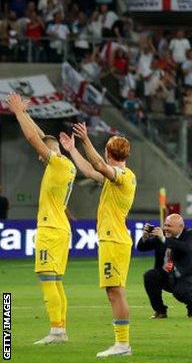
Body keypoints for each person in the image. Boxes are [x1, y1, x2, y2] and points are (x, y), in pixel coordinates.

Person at [60, 123, 137, 358]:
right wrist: (73, 149)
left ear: (108, 151)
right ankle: (121, 343)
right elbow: (91, 171)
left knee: (116, 291)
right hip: (112, 238)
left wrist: (85, 140)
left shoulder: (122, 175)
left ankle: (122, 344)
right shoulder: (117, 177)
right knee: (114, 291)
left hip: (114, 239)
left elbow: (99, 166)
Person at [8, 93, 76, 345]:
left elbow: (34, 139)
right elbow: (43, 137)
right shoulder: (66, 163)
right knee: (56, 280)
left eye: (41, 153)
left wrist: (16, 113)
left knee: (47, 278)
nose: (39, 157)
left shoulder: (56, 163)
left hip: (50, 228)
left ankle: (57, 331)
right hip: (61, 228)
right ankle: (61, 329)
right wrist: (25, 114)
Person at [138, 214, 192, 319]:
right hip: (167, 276)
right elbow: (141, 248)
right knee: (150, 276)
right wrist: (145, 237)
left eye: (169, 226)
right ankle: (160, 311)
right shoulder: (162, 235)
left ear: (180, 227)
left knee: (180, 292)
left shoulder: (190, 234)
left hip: (189, 277)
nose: (165, 229)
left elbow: (187, 248)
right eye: (165, 225)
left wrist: (164, 239)